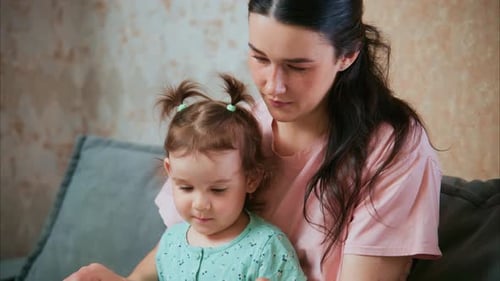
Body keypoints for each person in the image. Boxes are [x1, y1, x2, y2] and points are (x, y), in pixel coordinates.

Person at [65, 0, 442, 280]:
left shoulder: (394, 150)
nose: (273, 87)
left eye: (298, 66)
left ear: (348, 55)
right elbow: (188, 240)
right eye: (259, 58)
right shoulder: (243, 126)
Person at [66, 74, 306, 281]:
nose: (200, 203)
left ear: (251, 179)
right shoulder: (173, 240)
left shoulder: (267, 247)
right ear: (171, 173)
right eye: (186, 187)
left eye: (218, 189)